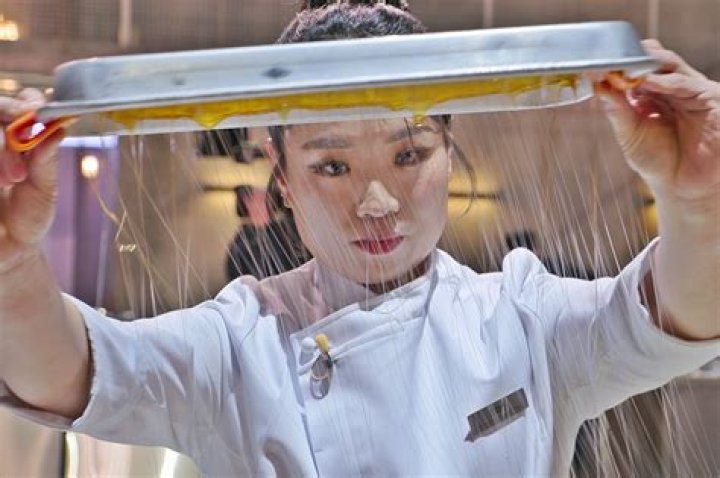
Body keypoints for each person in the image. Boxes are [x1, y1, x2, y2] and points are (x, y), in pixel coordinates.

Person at [0, 2, 718, 476]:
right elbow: (72, 372)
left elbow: (670, 319)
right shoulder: (239, 343)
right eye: (333, 166)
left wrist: (698, 202)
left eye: (409, 155)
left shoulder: (520, 316)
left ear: (448, 149)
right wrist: (11, 264)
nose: (377, 202)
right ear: (282, 174)